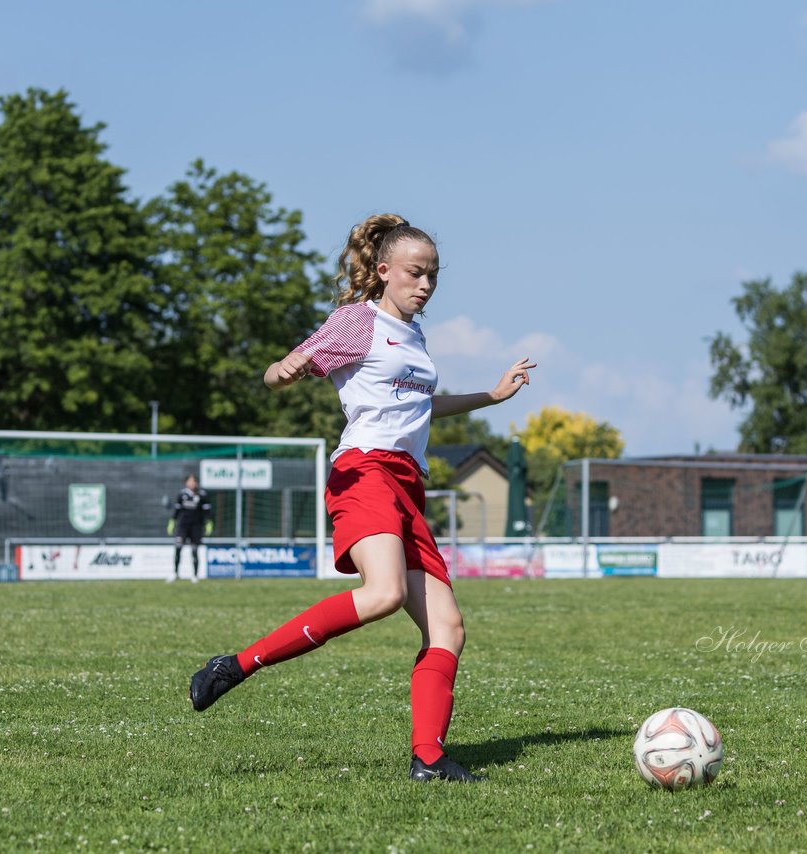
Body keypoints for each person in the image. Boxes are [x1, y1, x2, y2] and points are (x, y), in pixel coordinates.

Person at [188, 213, 536, 782]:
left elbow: (420, 404)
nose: (425, 285)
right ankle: (237, 665)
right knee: (383, 594)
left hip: (407, 485)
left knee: (448, 628)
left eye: (433, 277)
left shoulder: (415, 335)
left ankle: (428, 759)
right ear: (384, 271)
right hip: (364, 471)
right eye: (415, 274)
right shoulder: (358, 322)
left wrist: (491, 397)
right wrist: (287, 368)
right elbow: (279, 374)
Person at [168, 474, 212, 583]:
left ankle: (195, 576)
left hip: (196, 527)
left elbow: (207, 512)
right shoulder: (182, 494)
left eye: (194, 481)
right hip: (183, 526)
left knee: (194, 550)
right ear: (186, 482)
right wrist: (172, 521)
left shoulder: (202, 495)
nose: (192, 483)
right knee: (178, 548)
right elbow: (177, 510)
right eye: (190, 481)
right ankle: (175, 573)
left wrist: (208, 523)